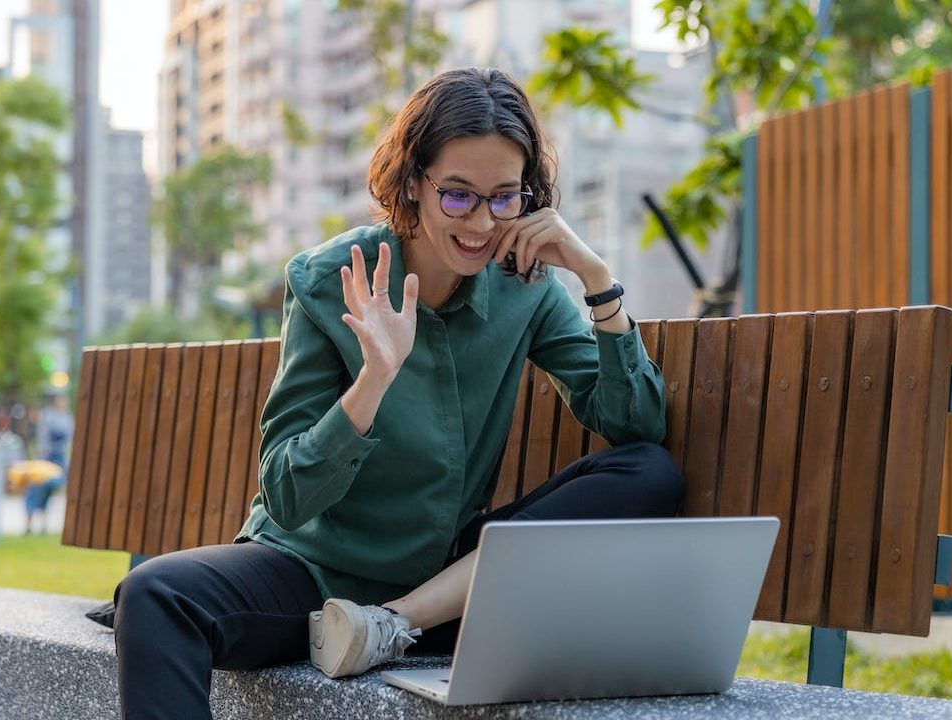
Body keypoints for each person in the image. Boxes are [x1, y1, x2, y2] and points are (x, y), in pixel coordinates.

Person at [111, 67, 684, 720]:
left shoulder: (527, 288)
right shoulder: (330, 280)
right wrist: (372, 380)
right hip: (314, 575)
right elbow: (288, 494)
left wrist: (598, 279)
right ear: (413, 182)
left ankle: (389, 623)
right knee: (156, 595)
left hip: (437, 594)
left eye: (505, 198)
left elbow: (636, 426)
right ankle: (374, 622)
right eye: (459, 196)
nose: (483, 223)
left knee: (649, 472)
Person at [25, 394, 72, 534]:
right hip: (46, 458)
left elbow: (69, 440)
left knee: (49, 493)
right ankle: (29, 524)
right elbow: (43, 439)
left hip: (59, 459)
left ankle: (43, 524)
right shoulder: (49, 417)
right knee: (36, 490)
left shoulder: (67, 418)